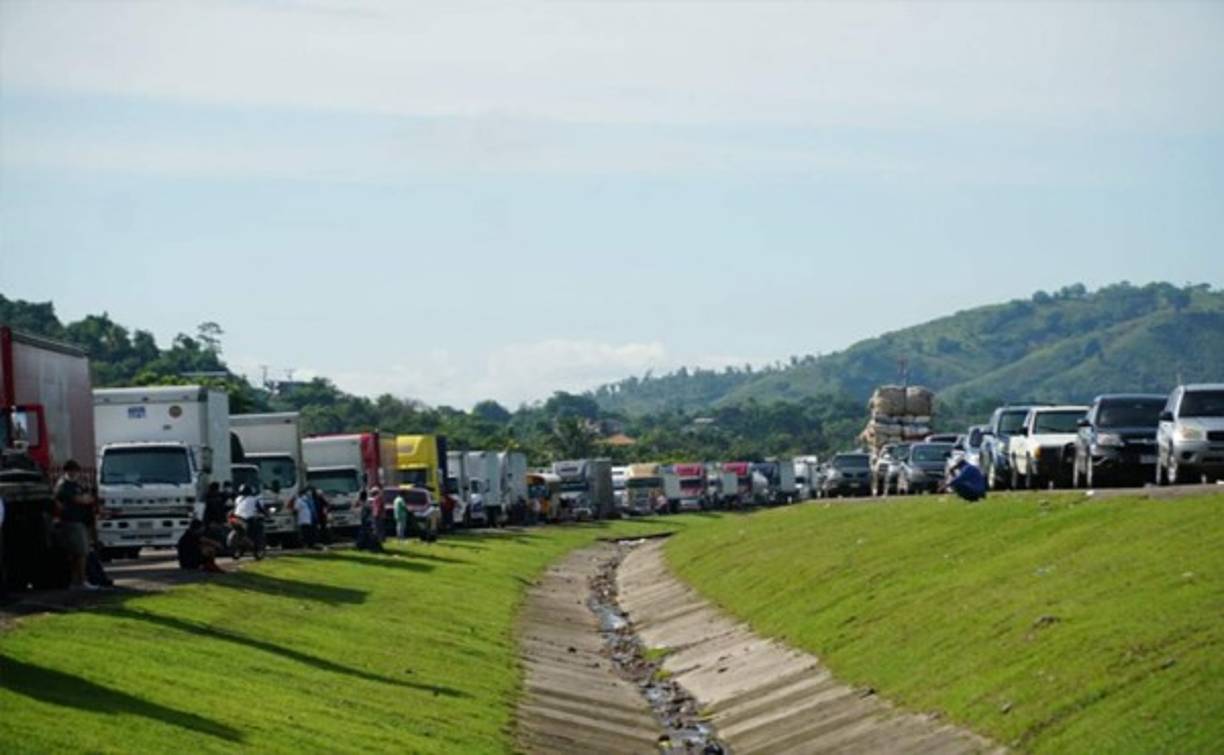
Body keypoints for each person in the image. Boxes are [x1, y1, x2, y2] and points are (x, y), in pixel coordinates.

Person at [53, 460, 96, 590]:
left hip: (79, 521)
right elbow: (81, 499)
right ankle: (81, 581)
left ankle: (75, 581)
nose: (74, 473)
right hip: (72, 521)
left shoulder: (75, 484)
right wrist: (85, 499)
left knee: (78, 553)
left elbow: (88, 497)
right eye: (72, 470)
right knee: (81, 552)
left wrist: (86, 498)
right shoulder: (65, 485)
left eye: (76, 470)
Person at [231, 484, 265, 557]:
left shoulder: (237, 499)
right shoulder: (254, 499)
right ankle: (256, 548)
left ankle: (241, 548)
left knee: (241, 532)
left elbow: (236, 508)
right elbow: (260, 509)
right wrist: (266, 514)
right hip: (248, 520)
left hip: (236, 519)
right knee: (256, 532)